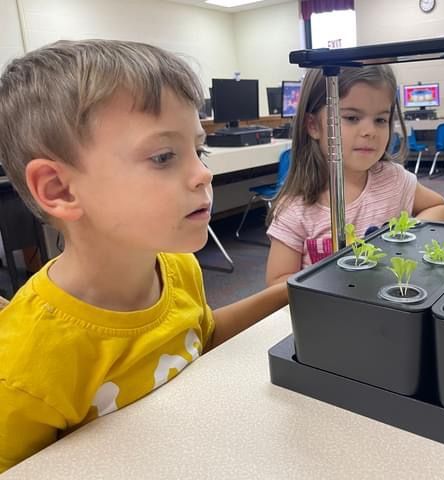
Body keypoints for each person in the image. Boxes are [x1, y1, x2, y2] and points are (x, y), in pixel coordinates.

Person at [0, 39, 288, 472]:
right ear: (59, 189)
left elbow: (200, 338)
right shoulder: (25, 365)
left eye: (199, 149)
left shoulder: (175, 266)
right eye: (163, 156)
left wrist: (290, 291)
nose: (203, 173)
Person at [264, 66, 444, 286]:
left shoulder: (394, 180)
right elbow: (276, 282)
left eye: (380, 120)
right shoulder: (297, 208)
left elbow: (440, 208)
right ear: (313, 126)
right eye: (352, 117)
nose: (369, 131)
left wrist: (402, 240)